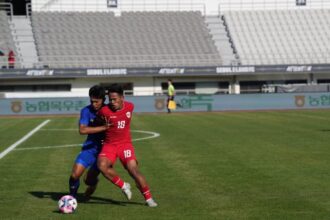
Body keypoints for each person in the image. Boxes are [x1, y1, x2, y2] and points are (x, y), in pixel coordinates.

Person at [97, 83, 158, 207]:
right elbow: (99, 124)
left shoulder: (130, 106)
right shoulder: (104, 111)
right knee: (101, 166)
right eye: (110, 100)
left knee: (134, 171)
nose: (112, 102)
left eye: (115, 99)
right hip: (110, 145)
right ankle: (124, 186)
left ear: (122, 98)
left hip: (125, 145)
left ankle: (148, 198)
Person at [69, 85, 109, 199]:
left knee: (88, 180)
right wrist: (104, 127)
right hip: (89, 149)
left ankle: (93, 185)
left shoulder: (109, 111)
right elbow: (82, 130)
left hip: (105, 152)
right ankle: (72, 198)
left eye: (97, 102)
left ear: (103, 100)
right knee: (74, 175)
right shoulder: (86, 111)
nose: (94, 104)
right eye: (92, 101)